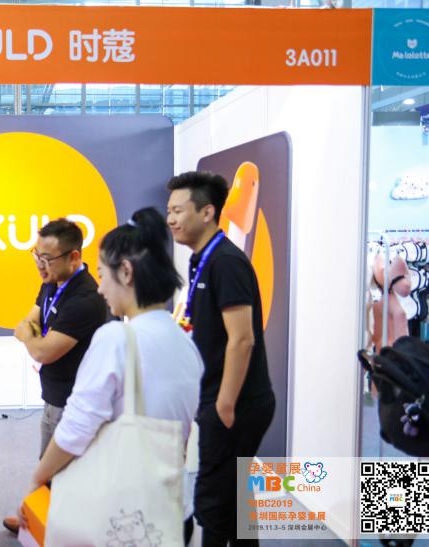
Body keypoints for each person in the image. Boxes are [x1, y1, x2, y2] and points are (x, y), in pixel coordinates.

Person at [20, 207, 203, 542]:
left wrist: (37, 479)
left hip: (125, 515)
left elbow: (74, 431)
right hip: (174, 507)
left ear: (126, 272)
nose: (101, 289)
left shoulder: (116, 339)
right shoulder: (186, 343)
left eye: (103, 275)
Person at [166, 171, 275, 546]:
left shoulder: (226, 262)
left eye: (178, 210)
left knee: (212, 506)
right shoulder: (201, 259)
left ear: (207, 212)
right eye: (169, 210)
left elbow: (242, 339)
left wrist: (224, 406)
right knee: (237, 504)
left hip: (236, 404)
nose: (171, 219)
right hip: (223, 399)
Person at [3, 218, 107, 534]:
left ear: (74, 257)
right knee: (49, 466)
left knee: (63, 470)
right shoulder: (51, 282)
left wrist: (33, 339)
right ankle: (37, 522)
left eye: (47, 258)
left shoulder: (85, 299)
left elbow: (43, 351)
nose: (40, 265)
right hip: (54, 393)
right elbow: (26, 324)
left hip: (74, 401)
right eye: (37, 255)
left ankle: (52, 529)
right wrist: (34, 338)